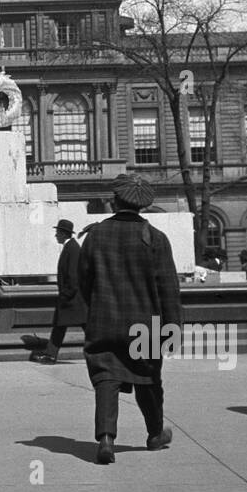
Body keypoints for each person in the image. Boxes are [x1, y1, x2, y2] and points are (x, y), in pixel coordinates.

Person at [77, 174, 179, 465]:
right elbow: (168, 290)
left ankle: (106, 438)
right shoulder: (156, 239)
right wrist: (172, 330)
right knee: (148, 379)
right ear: (143, 206)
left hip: (105, 320)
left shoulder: (96, 235)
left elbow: (83, 280)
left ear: (114, 200)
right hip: (145, 326)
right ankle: (155, 434)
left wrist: (90, 314)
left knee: (105, 379)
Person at [32, 219, 86, 364]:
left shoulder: (72, 249)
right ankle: (51, 354)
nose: (56, 236)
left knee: (68, 325)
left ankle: (51, 355)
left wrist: (66, 295)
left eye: (57, 233)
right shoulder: (70, 247)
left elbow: (73, 275)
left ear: (63, 234)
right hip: (72, 298)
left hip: (72, 298)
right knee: (62, 325)